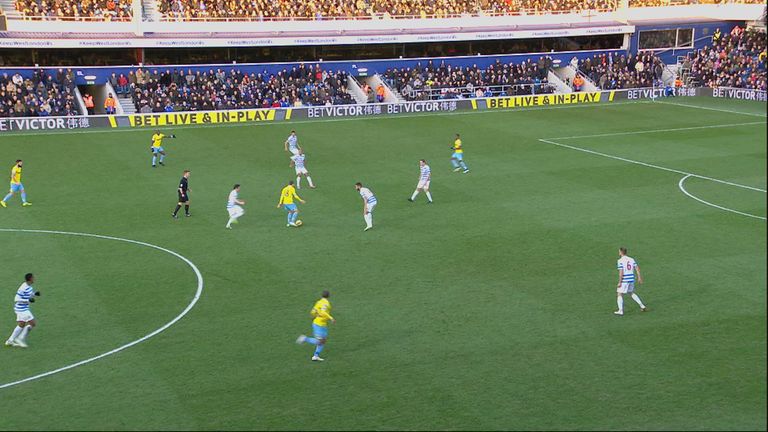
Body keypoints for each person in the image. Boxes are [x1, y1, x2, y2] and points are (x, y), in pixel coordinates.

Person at [295, 290, 335, 362]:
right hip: (319, 325)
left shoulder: (318, 302)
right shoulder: (326, 303)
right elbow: (323, 312)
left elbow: (313, 311)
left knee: (323, 341)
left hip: (321, 324)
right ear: (329, 296)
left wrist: (313, 315)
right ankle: (304, 338)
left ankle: (316, 356)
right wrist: (331, 318)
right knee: (319, 341)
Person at [5, 273, 40, 348]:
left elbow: (29, 295)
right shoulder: (23, 287)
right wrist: (27, 300)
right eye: (33, 277)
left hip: (24, 308)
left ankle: (10, 341)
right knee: (33, 323)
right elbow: (16, 299)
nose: (34, 279)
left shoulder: (30, 287)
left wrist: (34, 294)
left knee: (21, 324)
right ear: (30, 279)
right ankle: (20, 338)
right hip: (21, 309)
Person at [615, 247, 647, 316]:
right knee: (631, 293)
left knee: (619, 293)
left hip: (625, 279)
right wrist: (639, 277)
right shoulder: (631, 259)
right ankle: (642, 306)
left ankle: (620, 310)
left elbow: (621, 272)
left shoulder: (620, 261)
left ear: (621, 252)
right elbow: (637, 268)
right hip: (631, 279)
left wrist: (620, 282)